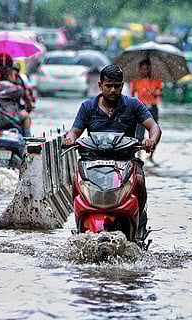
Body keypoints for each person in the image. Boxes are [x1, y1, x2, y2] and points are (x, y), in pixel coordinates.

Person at [64, 65, 162, 239]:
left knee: (139, 181)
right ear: (100, 85)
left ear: (122, 86)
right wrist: (70, 138)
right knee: (75, 179)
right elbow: (75, 130)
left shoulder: (133, 105)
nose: (113, 90)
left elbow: (153, 126)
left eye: (117, 86)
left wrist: (151, 140)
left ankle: (139, 223)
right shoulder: (87, 107)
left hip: (126, 162)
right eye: (109, 85)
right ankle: (79, 221)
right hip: (92, 163)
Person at [0, 53, 33, 137]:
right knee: (26, 117)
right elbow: (25, 96)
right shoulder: (16, 81)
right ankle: (28, 142)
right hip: (10, 116)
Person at [130, 58, 162, 163]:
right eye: (142, 69)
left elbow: (159, 93)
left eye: (146, 69)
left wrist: (154, 92)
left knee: (153, 131)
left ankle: (151, 154)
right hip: (140, 107)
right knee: (139, 133)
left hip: (152, 107)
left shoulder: (156, 80)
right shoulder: (135, 81)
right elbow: (132, 95)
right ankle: (139, 156)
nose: (144, 71)